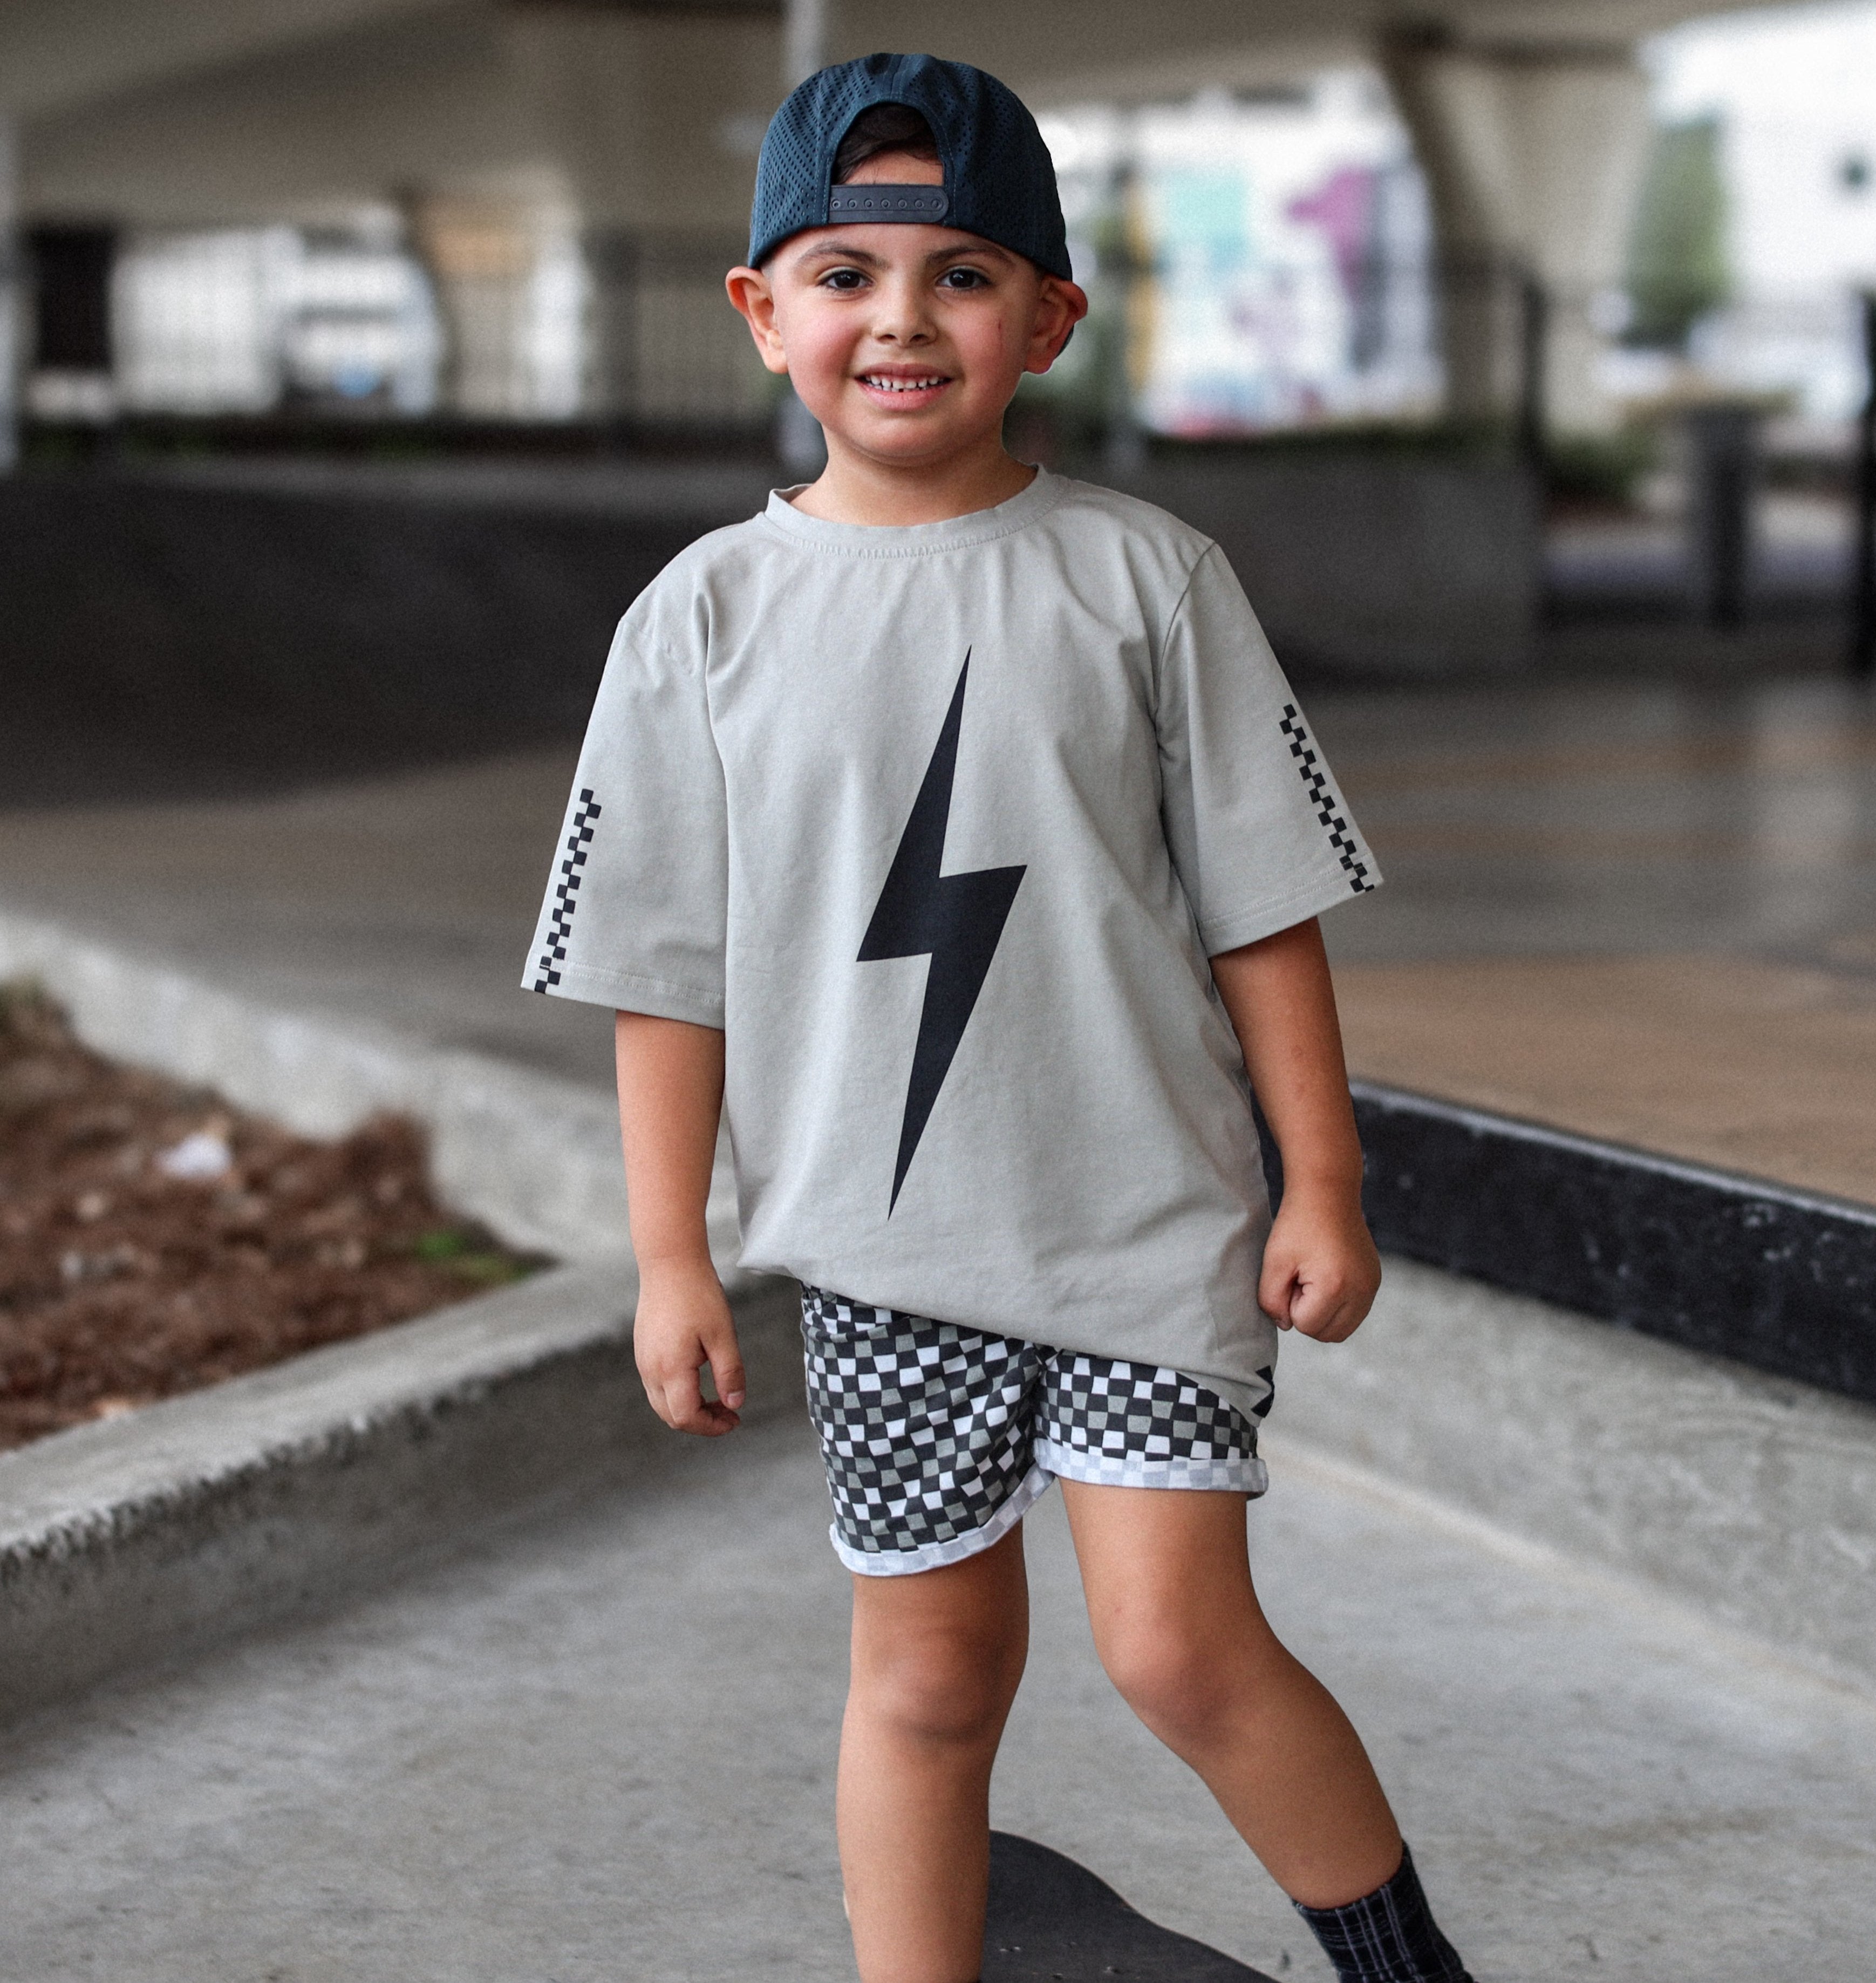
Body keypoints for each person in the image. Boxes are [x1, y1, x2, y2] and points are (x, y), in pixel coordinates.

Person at [524, 51, 1475, 1983]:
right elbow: (661, 977)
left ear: (1048, 315)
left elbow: (1261, 911)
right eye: (847, 271)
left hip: (1147, 1223)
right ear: (761, 311)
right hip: (882, 1253)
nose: (900, 317)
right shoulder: (696, 619)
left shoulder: (1147, 579)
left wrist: (1324, 1180)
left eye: (962, 273)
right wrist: (665, 1256)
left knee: (1177, 1645)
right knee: (931, 1673)